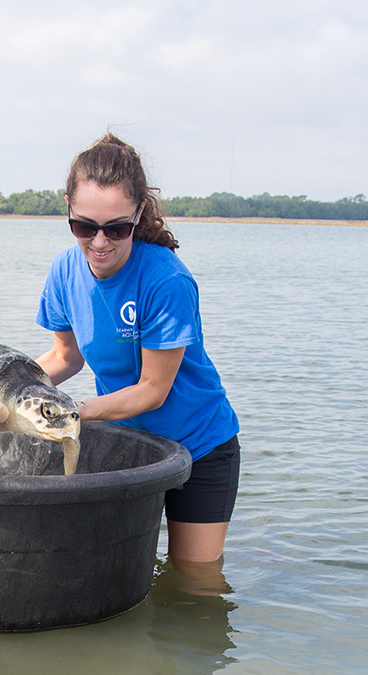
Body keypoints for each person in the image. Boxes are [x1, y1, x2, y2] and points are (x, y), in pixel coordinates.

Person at [35, 134, 241, 565]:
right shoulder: (63, 272)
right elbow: (64, 358)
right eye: (84, 226)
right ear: (68, 210)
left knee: (195, 582)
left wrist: (74, 412)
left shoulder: (166, 280)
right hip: (128, 446)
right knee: (110, 568)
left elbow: (152, 389)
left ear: (139, 215)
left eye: (117, 228)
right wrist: (6, 394)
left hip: (200, 445)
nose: (100, 242)